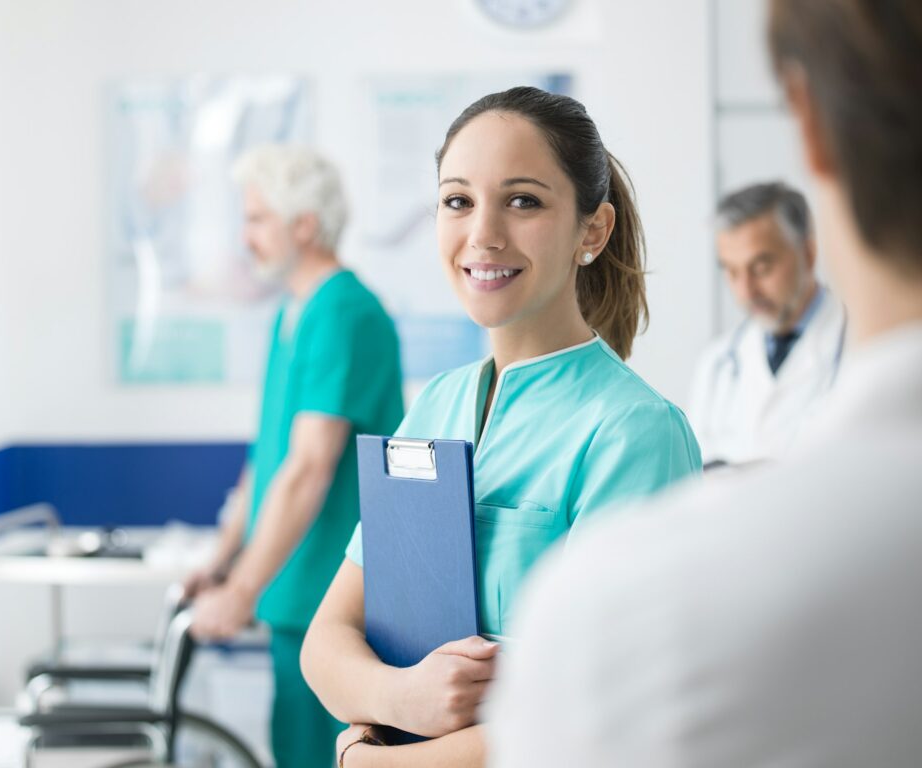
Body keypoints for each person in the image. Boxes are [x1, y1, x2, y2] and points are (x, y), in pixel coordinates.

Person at [491, 1, 922, 764]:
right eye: (454, 200)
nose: (747, 287)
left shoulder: (625, 611)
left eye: (523, 200)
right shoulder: (721, 364)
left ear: (809, 125)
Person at [300, 86, 702, 767]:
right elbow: (327, 642)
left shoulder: (634, 434)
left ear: (592, 232)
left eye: (523, 201)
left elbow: (602, 706)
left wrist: (375, 760)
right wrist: (405, 700)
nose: (483, 234)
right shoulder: (436, 406)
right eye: (458, 201)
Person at [185, 144, 404, 768]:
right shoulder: (294, 311)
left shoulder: (343, 312)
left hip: (336, 603)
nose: (245, 235)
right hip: (293, 593)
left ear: (304, 225)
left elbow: (309, 468)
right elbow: (269, 459)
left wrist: (242, 587)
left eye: (257, 218)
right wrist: (222, 559)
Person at [687, 181, 846, 466]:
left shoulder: (859, 348)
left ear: (808, 254)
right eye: (732, 272)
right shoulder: (716, 364)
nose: (746, 291)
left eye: (761, 268)